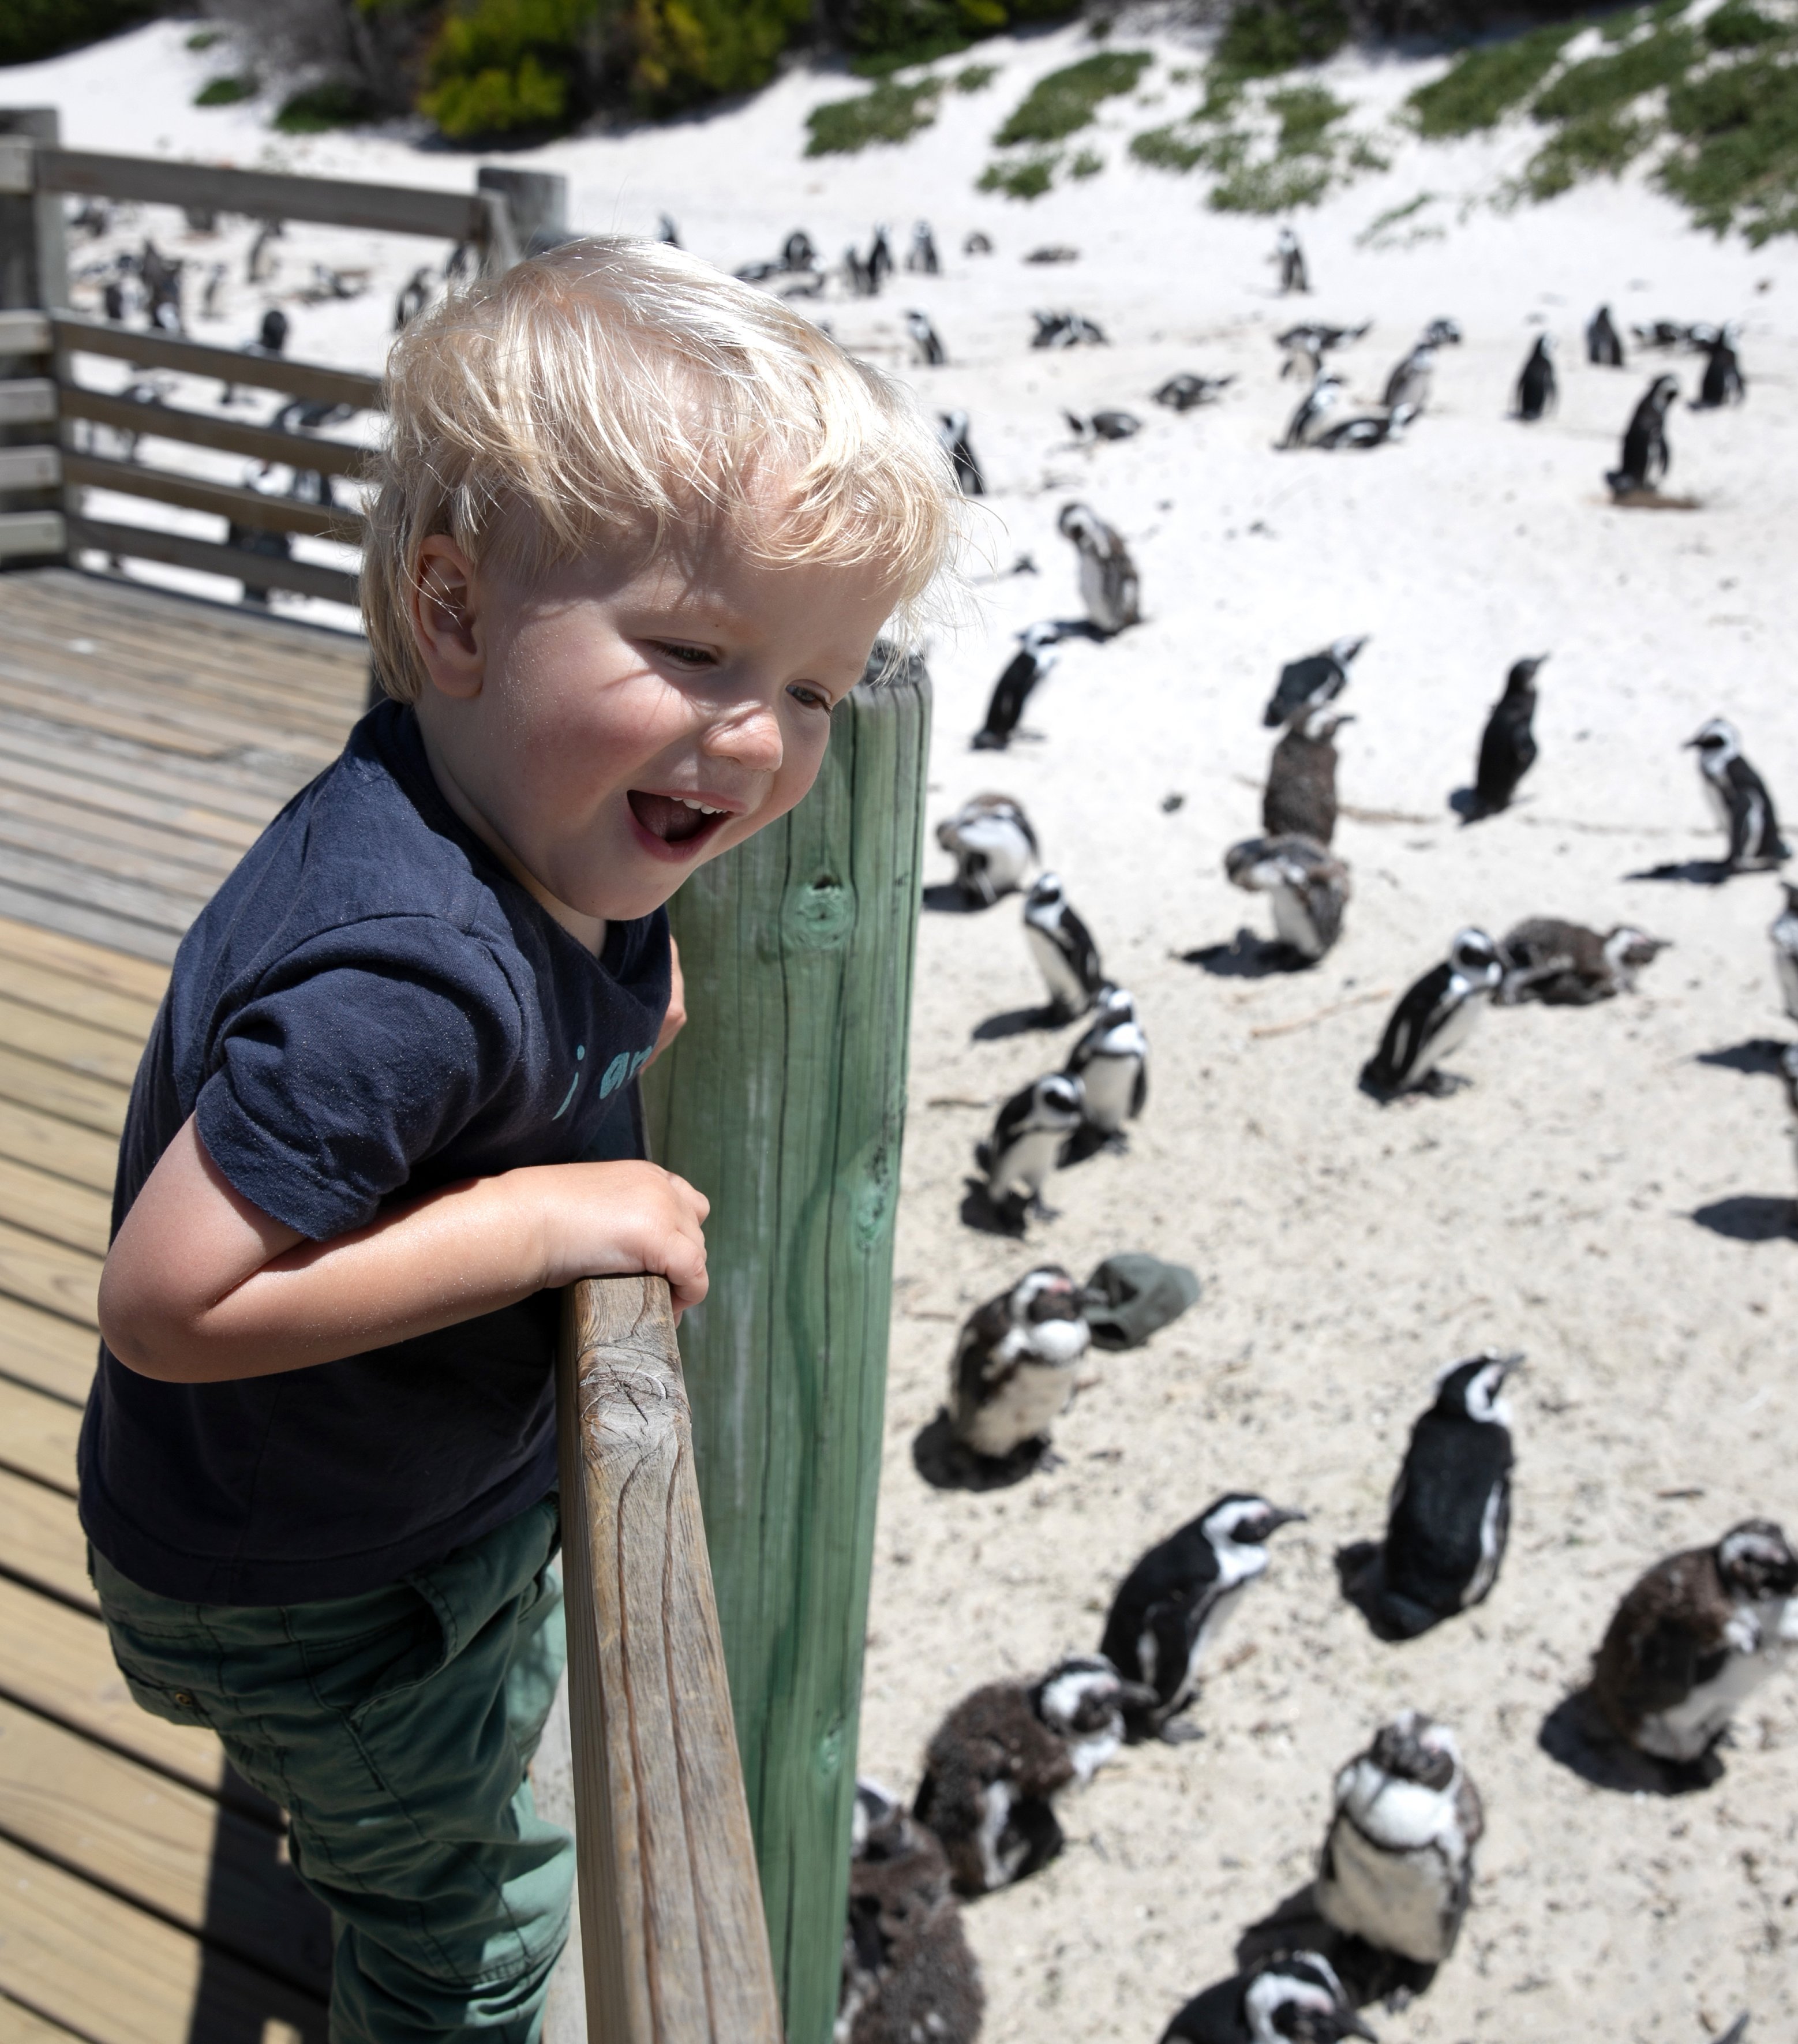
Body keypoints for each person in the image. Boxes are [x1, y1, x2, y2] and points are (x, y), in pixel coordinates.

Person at [80, 237, 960, 2044]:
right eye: (697, 651)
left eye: (810, 687)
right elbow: (165, 1301)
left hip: (370, 1538)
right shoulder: (405, 965)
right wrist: (553, 1215)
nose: (757, 740)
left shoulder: (508, 809)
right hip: (309, 1588)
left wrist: (616, 1008)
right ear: (459, 616)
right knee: (472, 1940)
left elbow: (558, 980)